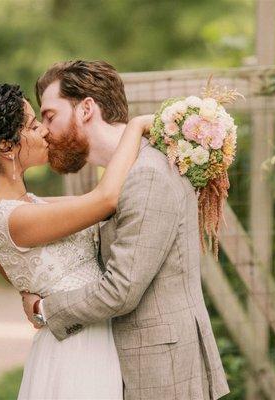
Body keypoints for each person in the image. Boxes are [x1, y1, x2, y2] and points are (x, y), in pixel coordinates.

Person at [20, 60, 229, 400]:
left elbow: (122, 288)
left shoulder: (146, 175)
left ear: (86, 108)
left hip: (162, 372)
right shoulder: (126, 172)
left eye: (50, 115)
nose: (44, 130)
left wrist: (44, 310)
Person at [0, 82, 151, 399]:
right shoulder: (7, 219)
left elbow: (97, 207)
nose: (43, 131)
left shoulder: (29, 206)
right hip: (77, 354)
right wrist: (134, 128)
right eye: (32, 125)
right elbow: (106, 199)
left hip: (90, 343)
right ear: (6, 147)